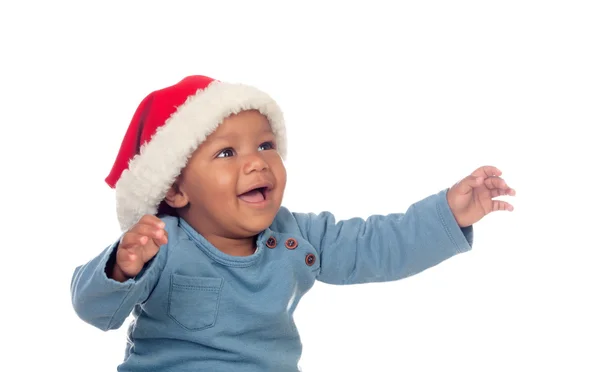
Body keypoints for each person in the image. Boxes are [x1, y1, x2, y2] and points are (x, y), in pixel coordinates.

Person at [70, 75, 515, 372]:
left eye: (265, 146)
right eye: (227, 153)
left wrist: (449, 214)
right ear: (176, 191)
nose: (256, 164)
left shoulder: (296, 236)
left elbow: (375, 245)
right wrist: (120, 269)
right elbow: (94, 309)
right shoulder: (161, 244)